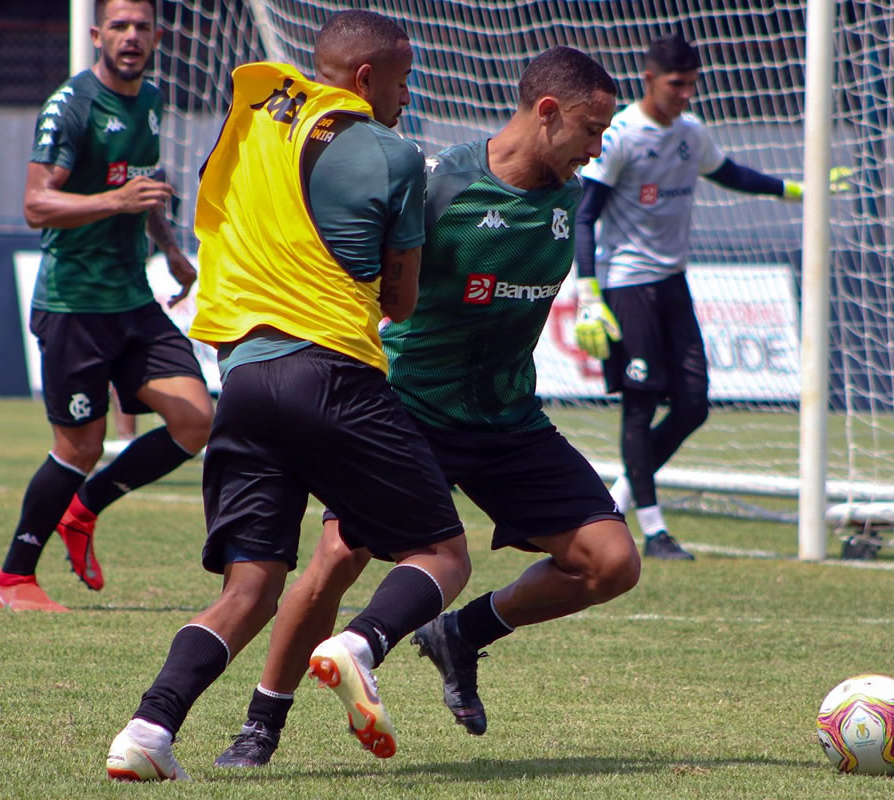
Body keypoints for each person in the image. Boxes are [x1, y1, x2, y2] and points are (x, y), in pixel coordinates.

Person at [212, 46, 639, 769]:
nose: (598, 150)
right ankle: (261, 724)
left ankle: (460, 634)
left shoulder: (571, 197)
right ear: (546, 112)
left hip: (508, 417)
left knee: (612, 562)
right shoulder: (441, 186)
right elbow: (372, 285)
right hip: (410, 408)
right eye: (591, 130)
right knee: (340, 554)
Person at [104, 10, 472, 781]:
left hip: (242, 380)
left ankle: (148, 728)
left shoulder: (250, 125)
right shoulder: (391, 152)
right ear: (367, 79)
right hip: (331, 373)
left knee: (250, 589)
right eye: (402, 80)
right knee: (440, 552)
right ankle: (358, 643)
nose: (409, 96)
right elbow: (399, 303)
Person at [572, 33, 849, 560]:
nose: (686, 95)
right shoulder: (622, 136)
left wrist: (797, 190)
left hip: (673, 283)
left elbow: (730, 174)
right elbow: (586, 214)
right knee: (640, 405)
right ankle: (652, 532)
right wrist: (588, 292)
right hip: (627, 286)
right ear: (651, 79)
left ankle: (611, 500)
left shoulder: (691, 133)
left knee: (695, 404)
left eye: (692, 86)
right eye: (678, 85)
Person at [0, 0, 213, 611]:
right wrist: (115, 202)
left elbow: (142, 186)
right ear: (96, 35)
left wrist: (169, 249)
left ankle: (83, 511)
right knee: (80, 448)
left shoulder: (153, 100)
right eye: (119, 26)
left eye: (141, 26)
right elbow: (36, 204)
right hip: (74, 304)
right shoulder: (72, 105)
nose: (131, 37)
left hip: (132, 299)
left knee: (196, 420)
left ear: (157, 36)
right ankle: (12, 579)